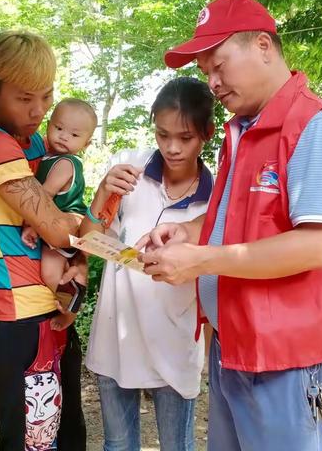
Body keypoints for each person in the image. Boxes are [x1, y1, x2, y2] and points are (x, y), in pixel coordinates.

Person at [137, 0, 322, 451]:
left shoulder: (312, 127)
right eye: (205, 73)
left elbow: (314, 246)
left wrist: (200, 260)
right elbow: (237, 222)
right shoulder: (243, 131)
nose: (212, 83)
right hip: (232, 345)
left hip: (286, 355)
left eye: (219, 65)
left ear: (263, 45)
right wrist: (187, 232)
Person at [0, 31, 86, 451]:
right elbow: (56, 229)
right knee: (33, 441)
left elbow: (65, 230)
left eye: (47, 98)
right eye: (24, 98)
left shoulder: (33, 140)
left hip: (49, 311)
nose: (38, 111)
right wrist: (97, 210)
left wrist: (78, 270)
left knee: (65, 431)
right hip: (18, 320)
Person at [81, 76, 215, 451]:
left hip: (174, 342)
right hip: (115, 335)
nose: (171, 147)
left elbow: (212, 279)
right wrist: (103, 193)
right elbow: (93, 237)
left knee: (178, 446)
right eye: (162, 134)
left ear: (207, 133)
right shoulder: (129, 168)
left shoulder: (215, 199)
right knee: (118, 446)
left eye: (185, 138)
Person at [21, 98, 97, 331]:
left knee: (51, 272)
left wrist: (33, 226)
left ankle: (71, 309)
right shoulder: (50, 157)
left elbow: (45, 194)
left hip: (63, 224)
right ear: (48, 125)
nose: (64, 136)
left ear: (86, 143)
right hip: (55, 221)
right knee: (57, 269)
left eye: (74, 135)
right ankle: (70, 293)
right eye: (59, 128)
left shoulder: (65, 162)